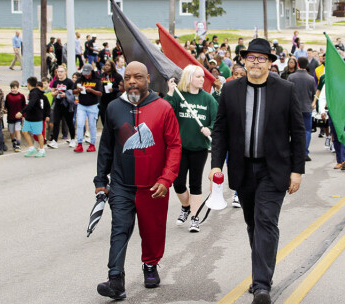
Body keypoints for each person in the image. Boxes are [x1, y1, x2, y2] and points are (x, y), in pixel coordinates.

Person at [209, 38, 305, 304]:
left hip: (273, 170)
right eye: (250, 57)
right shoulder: (231, 90)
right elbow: (220, 129)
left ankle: (261, 285)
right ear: (244, 61)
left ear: (270, 63)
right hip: (242, 169)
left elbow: (297, 132)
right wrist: (216, 164)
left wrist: (297, 170)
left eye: (261, 58)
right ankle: (263, 271)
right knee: (253, 223)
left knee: (266, 221)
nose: (255, 62)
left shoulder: (286, 90)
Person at [94, 61, 182, 300]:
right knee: (119, 229)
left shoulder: (163, 108)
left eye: (138, 77)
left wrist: (166, 179)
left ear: (148, 79)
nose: (132, 81)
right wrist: (100, 180)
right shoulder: (113, 108)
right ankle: (115, 280)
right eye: (128, 77)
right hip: (122, 184)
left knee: (152, 231)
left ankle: (151, 265)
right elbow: (106, 148)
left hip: (153, 186)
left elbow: (174, 146)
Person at [166, 65, 218, 233]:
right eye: (198, 77)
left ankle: (195, 217)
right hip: (179, 148)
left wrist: (209, 129)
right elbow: (166, 112)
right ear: (189, 78)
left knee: (195, 184)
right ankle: (186, 206)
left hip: (199, 148)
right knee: (178, 183)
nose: (202, 79)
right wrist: (170, 93)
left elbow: (217, 121)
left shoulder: (208, 99)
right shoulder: (180, 96)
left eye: (203, 77)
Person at [288, 56, 316, 161]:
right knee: (307, 130)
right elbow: (314, 93)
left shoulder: (291, 77)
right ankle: (304, 151)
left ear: (297, 64)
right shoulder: (311, 78)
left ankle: (295, 151)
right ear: (307, 65)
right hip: (307, 107)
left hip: (294, 108)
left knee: (294, 130)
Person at [16, 77, 50, 158]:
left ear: (28, 84)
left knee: (38, 134)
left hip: (36, 117)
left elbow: (31, 104)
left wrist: (21, 112)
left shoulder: (34, 93)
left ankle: (42, 150)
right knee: (24, 131)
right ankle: (31, 148)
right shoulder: (32, 92)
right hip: (29, 117)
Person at [73, 63, 102, 152]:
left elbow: (100, 93)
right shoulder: (79, 80)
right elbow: (73, 91)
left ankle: (92, 144)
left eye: (88, 73)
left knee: (92, 125)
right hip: (82, 105)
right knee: (80, 124)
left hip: (93, 105)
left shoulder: (96, 80)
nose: (86, 75)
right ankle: (79, 143)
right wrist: (78, 90)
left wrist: (91, 90)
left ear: (91, 72)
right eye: (84, 73)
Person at [48, 66, 76, 149]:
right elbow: (52, 92)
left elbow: (73, 93)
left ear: (65, 72)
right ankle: (54, 141)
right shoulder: (55, 82)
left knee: (69, 122)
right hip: (58, 104)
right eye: (58, 72)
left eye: (61, 71)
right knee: (56, 122)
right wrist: (56, 92)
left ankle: (72, 139)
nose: (59, 73)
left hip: (67, 105)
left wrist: (65, 94)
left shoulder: (69, 82)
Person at [99, 60, 123, 126]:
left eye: (108, 65)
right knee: (103, 118)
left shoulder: (117, 76)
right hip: (103, 100)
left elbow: (122, 88)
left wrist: (114, 89)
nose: (106, 67)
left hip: (113, 100)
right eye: (105, 65)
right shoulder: (101, 76)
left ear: (112, 66)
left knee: (112, 119)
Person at [5, 80, 26, 152]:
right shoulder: (8, 96)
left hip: (18, 117)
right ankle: (13, 141)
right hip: (10, 117)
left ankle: (18, 145)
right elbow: (6, 105)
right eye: (12, 88)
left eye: (14, 88)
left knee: (17, 130)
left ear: (18, 88)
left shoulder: (21, 96)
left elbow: (24, 106)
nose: (13, 90)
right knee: (11, 132)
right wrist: (5, 110)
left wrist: (23, 115)